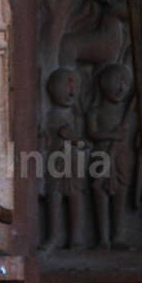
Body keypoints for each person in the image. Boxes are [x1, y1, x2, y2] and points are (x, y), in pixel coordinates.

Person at [87, 62, 135, 249]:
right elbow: (92, 133)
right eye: (116, 81)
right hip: (100, 156)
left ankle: (118, 236)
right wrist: (112, 135)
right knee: (100, 195)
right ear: (102, 83)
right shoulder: (95, 110)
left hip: (122, 158)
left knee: (120, 197)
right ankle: (103, 238)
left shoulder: (127, 113)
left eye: (125, 82)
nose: (121, 87)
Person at [42, 68, 89, 250]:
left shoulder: (78, 117)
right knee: (54, 198)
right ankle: (53, 237)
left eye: (74, 86)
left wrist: (72, 139)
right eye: (65, 86)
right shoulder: (50, 115)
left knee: (75, 198)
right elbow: (45, 142)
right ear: (52, 89)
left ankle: (76, 238)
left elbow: (87, 143)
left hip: (75, 166)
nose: (71, 91)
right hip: (55, 165)